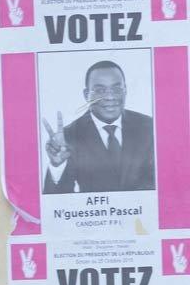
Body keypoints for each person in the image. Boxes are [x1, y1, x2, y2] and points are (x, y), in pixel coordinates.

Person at [42, 60, 155, 194]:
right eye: (100, 90)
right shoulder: (69, 136)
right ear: (86, 95)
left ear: (125, 91)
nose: (109, 97)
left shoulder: (149, 127)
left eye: (116, 89)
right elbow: (57, 204)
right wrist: (57, 165)